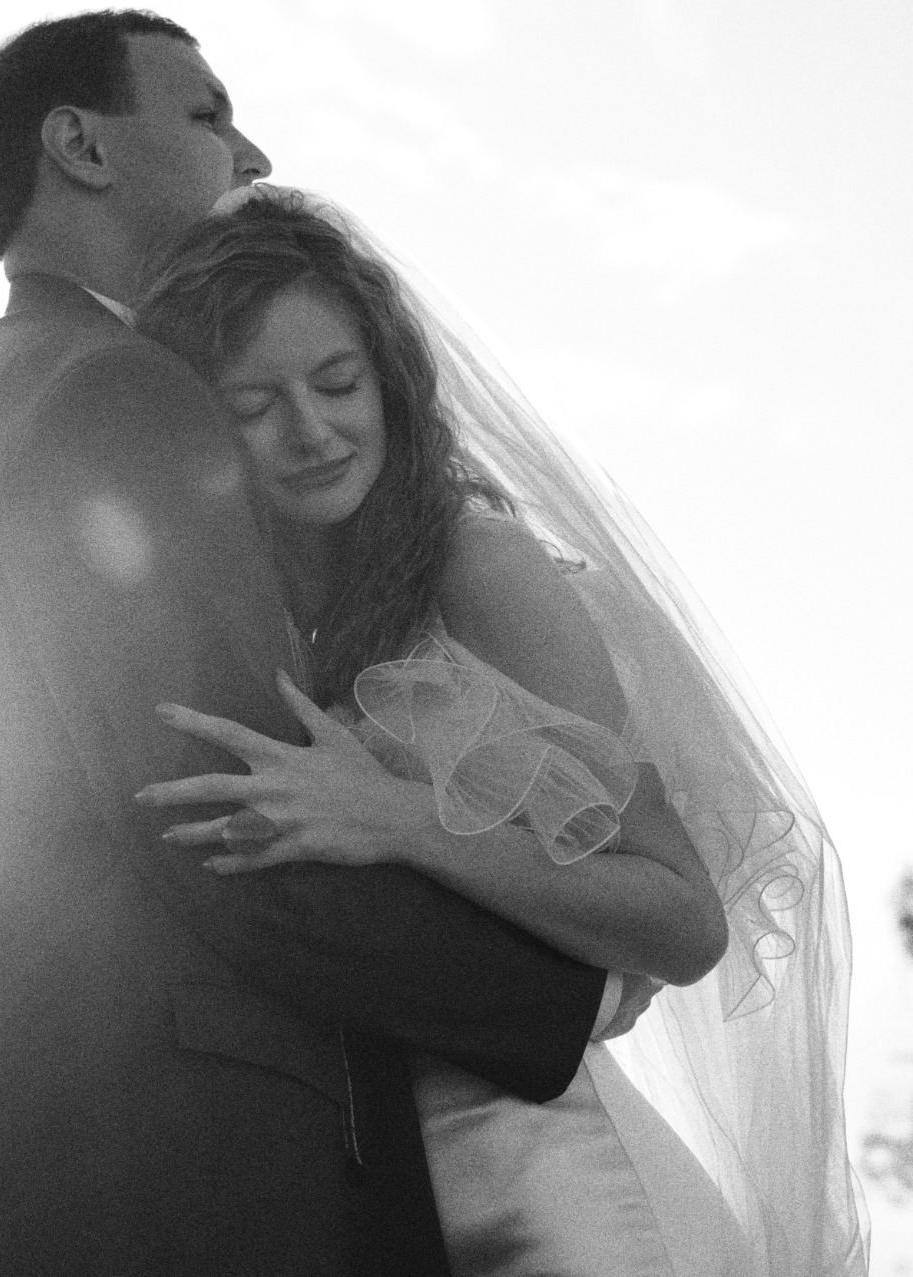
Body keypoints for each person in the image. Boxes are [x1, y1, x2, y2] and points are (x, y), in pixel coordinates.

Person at [0, 12, 631, 1274]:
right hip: (186, 1171)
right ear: (81, 146)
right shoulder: (115, 392)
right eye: (208, 114)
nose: (254, 154)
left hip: (25, 1156)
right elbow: (231, 814)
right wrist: (568, 989)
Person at [131, 185, 867, 1275]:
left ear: (389, 380)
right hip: (383, 1199)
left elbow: (681, 919)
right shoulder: (245, 616)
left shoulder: (479, 568)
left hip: (566, 1195)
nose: (312, 429)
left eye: (337, 382)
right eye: (256, 402)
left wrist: (397, 819)